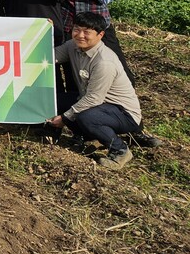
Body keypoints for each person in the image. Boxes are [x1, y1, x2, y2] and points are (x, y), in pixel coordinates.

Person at [48, 12, 162, 169]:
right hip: (99, 105)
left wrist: (65, 119)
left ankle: (120, 150)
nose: (80, 35)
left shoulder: (104, 62)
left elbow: (94, 99)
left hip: (123, 113)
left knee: (85, 117)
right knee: (57, 101)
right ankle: (89, 137)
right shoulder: (72, 46)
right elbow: (48, 57)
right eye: (76, 29)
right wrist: (41, 31)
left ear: (100, 34)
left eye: (87, 32)